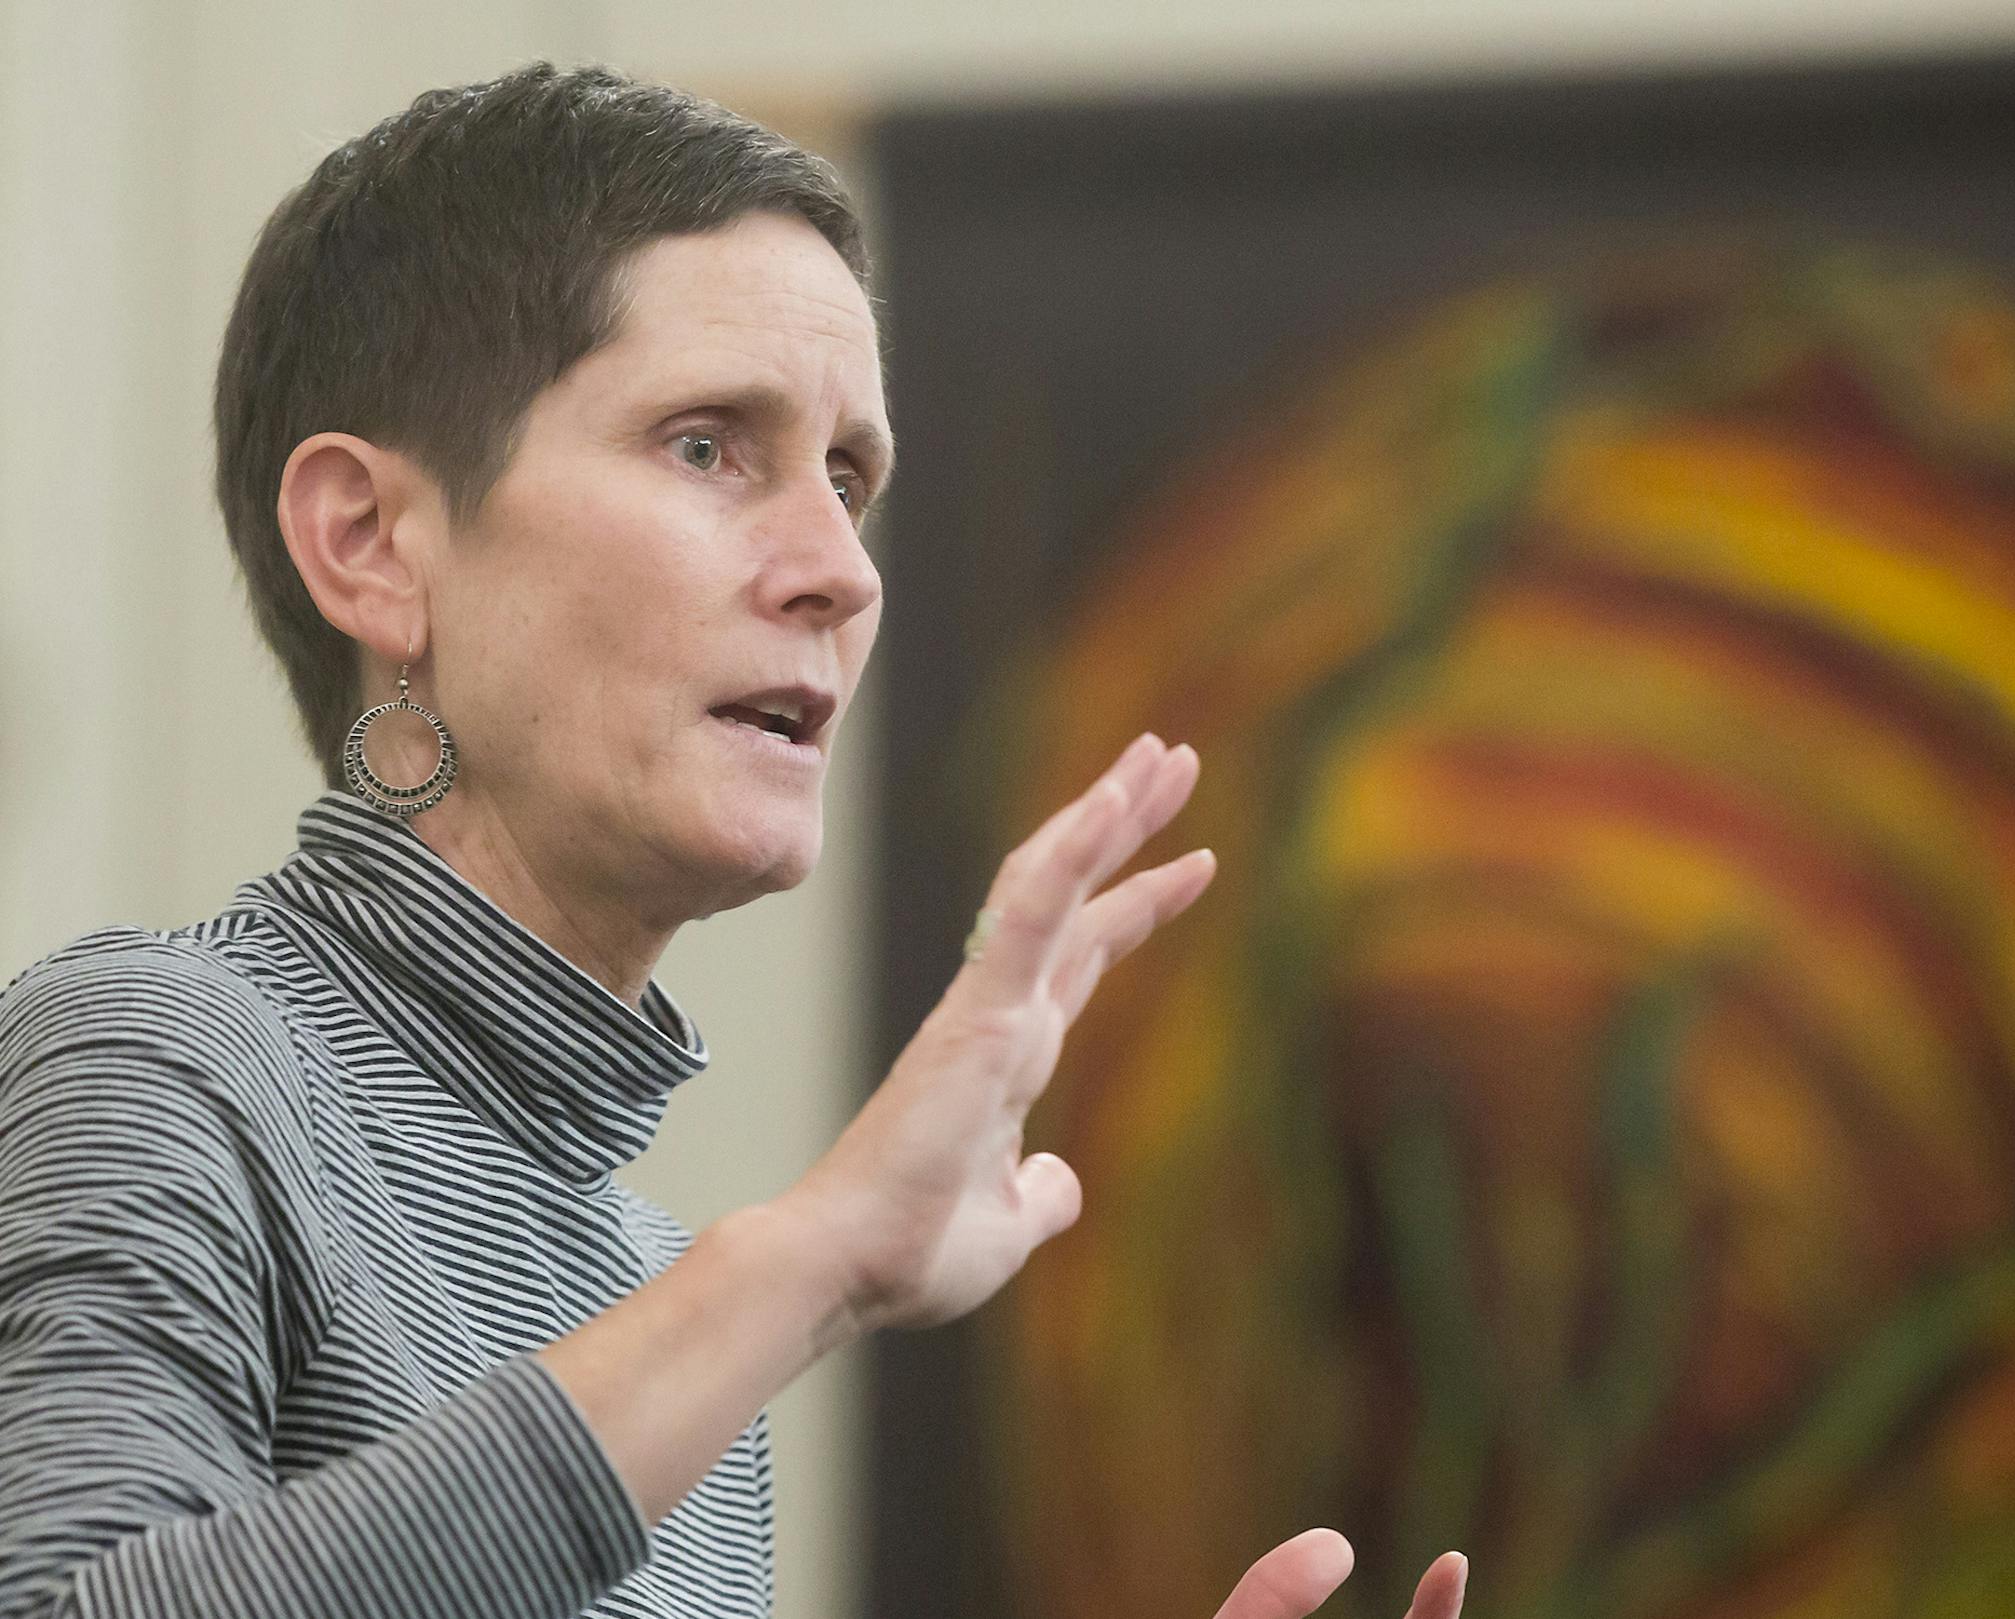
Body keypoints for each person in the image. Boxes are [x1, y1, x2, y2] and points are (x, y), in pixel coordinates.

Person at [0, 62, 1469, 1619]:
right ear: (371, 546)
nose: (843, 570)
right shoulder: (156, 1055)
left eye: (850, 479)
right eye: (708, 446)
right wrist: (802, 1265)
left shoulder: (660, 1287)